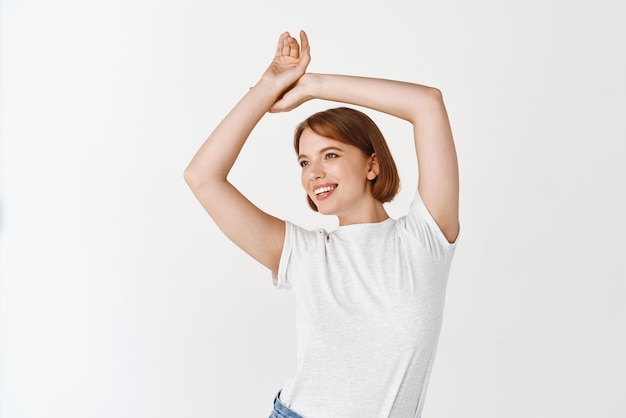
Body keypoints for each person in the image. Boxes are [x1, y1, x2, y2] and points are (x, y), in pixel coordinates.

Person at [184, 30, 459, 418]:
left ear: (372, 164)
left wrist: (313, 86)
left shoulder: (424, 239)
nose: (314, 172)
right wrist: (267, 88)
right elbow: (202, 176)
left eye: (330, 154)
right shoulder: (304, 254)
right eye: (304, 161)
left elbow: (427, 104)